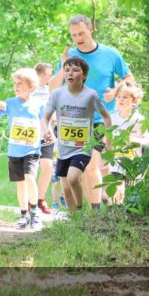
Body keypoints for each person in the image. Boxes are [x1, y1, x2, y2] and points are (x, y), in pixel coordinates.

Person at [49, 15, 134, 209]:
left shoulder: (110, 54)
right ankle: (94, 210)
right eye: (73, 35)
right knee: (80, 170)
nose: (78, 38)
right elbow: (52, 87)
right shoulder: (70, 55)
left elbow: (130, 79)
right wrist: (64, 66)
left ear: (91, 29)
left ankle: (96, 213)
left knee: (90, 164)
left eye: (81, 33)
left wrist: (117, 90)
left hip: (100, 119)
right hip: (74, 122)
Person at [42, 57, 114, 211]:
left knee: (73, 177)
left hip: (83, 146)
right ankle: (75, 218)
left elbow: (107, 116)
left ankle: (81, 208)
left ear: (84, 76)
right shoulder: (57, 94)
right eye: (67, 70)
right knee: (66, 189)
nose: (70, 73)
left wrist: (108, 141)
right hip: (64, 147)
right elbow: (46, 117)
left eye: (75, 70)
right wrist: (46, 130)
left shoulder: (91, 95)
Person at [0, 69, 46, 229]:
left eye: (20, 83)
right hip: (14, 151)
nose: (16, 86)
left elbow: (44, 122)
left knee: (30, 178)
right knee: (20, 183)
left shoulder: (39, 104)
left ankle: (35, 213)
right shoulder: (11, 103)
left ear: (31, 86)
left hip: (32, 150)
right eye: (15, 83)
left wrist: (48, 133)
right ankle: (23, 214)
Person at [106, 83, 149, 205]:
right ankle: (113, 213)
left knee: (129, 192)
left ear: (134, 101)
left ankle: (123, 213)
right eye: (119, 96)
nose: (121, 100)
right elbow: (106, 139)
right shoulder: (111, 118)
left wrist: (132, 140)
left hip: (133, 162)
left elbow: (148, 140)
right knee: (116, 187)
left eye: (125, 97)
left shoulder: (139, 119)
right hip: (115, 161)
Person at [32, 63, 56, 214]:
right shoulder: (30, 90)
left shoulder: (51, 91)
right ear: (40, 75)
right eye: (48, 74)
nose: (50, 77)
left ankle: (41, 199)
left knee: (47, 166)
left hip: (47, 134)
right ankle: (30, 200)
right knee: (30, 170)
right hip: (30, 135)